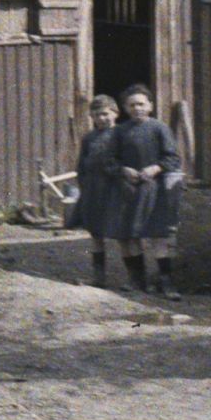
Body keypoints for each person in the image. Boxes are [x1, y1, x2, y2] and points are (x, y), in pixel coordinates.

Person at [104, 83, 185, 297]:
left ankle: (166, 282)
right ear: (125, 108)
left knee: (159, 236)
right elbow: (108, 161)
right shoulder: (119, 132)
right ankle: (136, 279)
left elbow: (173, 158)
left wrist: (156, 167)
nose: (137, 108)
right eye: (132, 105)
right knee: (128, 236)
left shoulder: (159, 128)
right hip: (127, 190)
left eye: (141, 104)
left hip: (153, 190)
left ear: (150, 105)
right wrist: (123, 170)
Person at [66, 95, 121, 286]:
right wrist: (84, 184)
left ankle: (135, 279)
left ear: (115, 113)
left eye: (105, 114)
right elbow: (82, 164)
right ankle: (99, 278)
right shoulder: (89, 138)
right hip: (93, 190)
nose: (102, 119)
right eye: (97, 115)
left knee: (123, 234)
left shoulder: (122, 134)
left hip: (115, 189)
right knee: (96, 234)